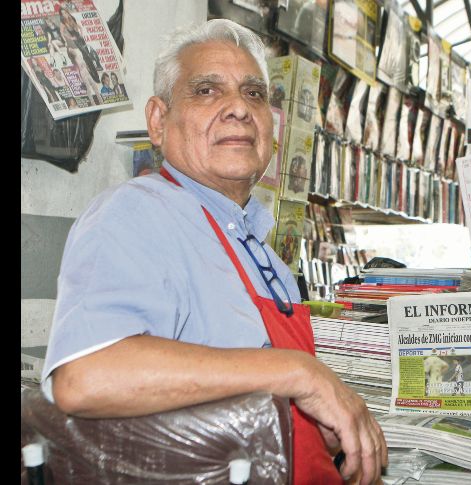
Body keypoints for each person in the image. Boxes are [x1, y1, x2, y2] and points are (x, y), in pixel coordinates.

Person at [40, 19, 386, 485]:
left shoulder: (262, 253)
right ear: (159, 121)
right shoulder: (135, 213)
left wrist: (307, 426)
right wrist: (299, 373)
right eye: (206, 90)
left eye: (254, 94)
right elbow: (86, 377)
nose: (239, 109)